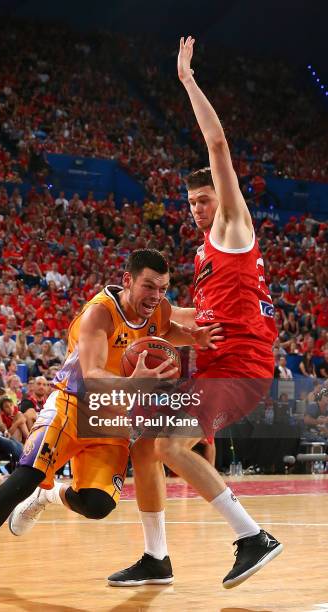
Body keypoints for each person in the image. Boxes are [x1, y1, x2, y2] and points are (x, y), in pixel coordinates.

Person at [0, 248, 221, 591]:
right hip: (72, 405)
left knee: (98, 505)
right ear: (128, 280)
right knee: (27, 475)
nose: (156, 296)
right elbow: (95, 373)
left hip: (112, 420)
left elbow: (168, 326)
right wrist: (134, 383)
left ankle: (48, 497)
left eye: (163, 288)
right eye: (149, 286)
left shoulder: (157, 307)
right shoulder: (98, 314)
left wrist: (196, 336)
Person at [107, 38, 282, 590]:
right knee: (146, 440)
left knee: (172, 445)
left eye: (202, 200)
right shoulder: (206, 254)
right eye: (190, 204)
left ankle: (253, 536)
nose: (196, 209)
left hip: (242, 367)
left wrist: (186, 78)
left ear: (222, 198)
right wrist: (146, 314)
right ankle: (156, 557)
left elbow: (218, 144)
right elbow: (192, 319)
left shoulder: (233, 230)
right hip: (214, 365)